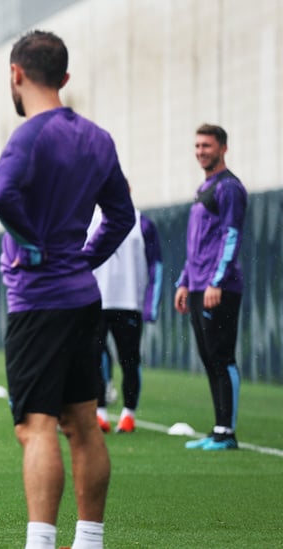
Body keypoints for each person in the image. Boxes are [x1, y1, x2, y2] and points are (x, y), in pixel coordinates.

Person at [0, 30, 135, 549]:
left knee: (35, 426)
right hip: (82, 297)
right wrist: (82, 258)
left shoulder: (28, 135)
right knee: (82, 423)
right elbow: (121, 216)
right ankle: (90, 540)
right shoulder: (97, 137)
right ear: (65, 78)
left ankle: (41, 542)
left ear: (16, 74)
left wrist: (31, 245)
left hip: (38, 301)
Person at [176, 124, 247, 452]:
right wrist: (184, 281)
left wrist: (215, 281)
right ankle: (217, 429)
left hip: (219, 287)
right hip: (198, 285)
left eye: (207, 145)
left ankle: (227, 433)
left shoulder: (229, 188)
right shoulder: (204, 187)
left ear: (223, 149)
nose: (201, 151)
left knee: (222, 356)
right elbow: (197, 244)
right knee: (209, 357)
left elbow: (230, 237)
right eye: (197, 145)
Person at [88, 205, 163, 434]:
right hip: (96, 301)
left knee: (130, 360)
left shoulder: (143, 223)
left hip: (130, 303)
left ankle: (129, 414)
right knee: (94, 357)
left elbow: (155, 265)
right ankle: (100, 412)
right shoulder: (88, 220)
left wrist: (151, 304)